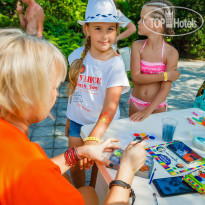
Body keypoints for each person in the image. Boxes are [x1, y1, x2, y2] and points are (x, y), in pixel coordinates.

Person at [0, 28, 146, 205]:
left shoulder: (12, 141)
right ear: (29, 93)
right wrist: (127, 169)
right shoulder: (33, 173)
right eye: (54, 86)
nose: (56, 94)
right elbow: (35, 174)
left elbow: (36, 169)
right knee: (89, 192)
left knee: (75, 184)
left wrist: (79, 152)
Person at [65, 0, 130, 188]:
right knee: (75, 164)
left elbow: (111, 107)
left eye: (110, 29)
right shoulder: (76, 55)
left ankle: (92, 192)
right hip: (78, 122)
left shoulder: (116, 64)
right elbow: (74, 91)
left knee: (98, 167)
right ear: (86, 29)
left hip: (103, 127)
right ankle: (80, 194)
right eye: (97, 28)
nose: (104, 35)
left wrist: (93, 139)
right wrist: (69, 118)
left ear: (117, 31)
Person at [129, 0, 180, 122]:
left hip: (156, 107)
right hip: (135, 103)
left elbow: (165, 88)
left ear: (156, 23)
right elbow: (136, 77)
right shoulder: (137, 46)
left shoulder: (171, 53)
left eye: (143, 19)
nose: (138, 22)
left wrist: (148, 110)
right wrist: (166, 75)